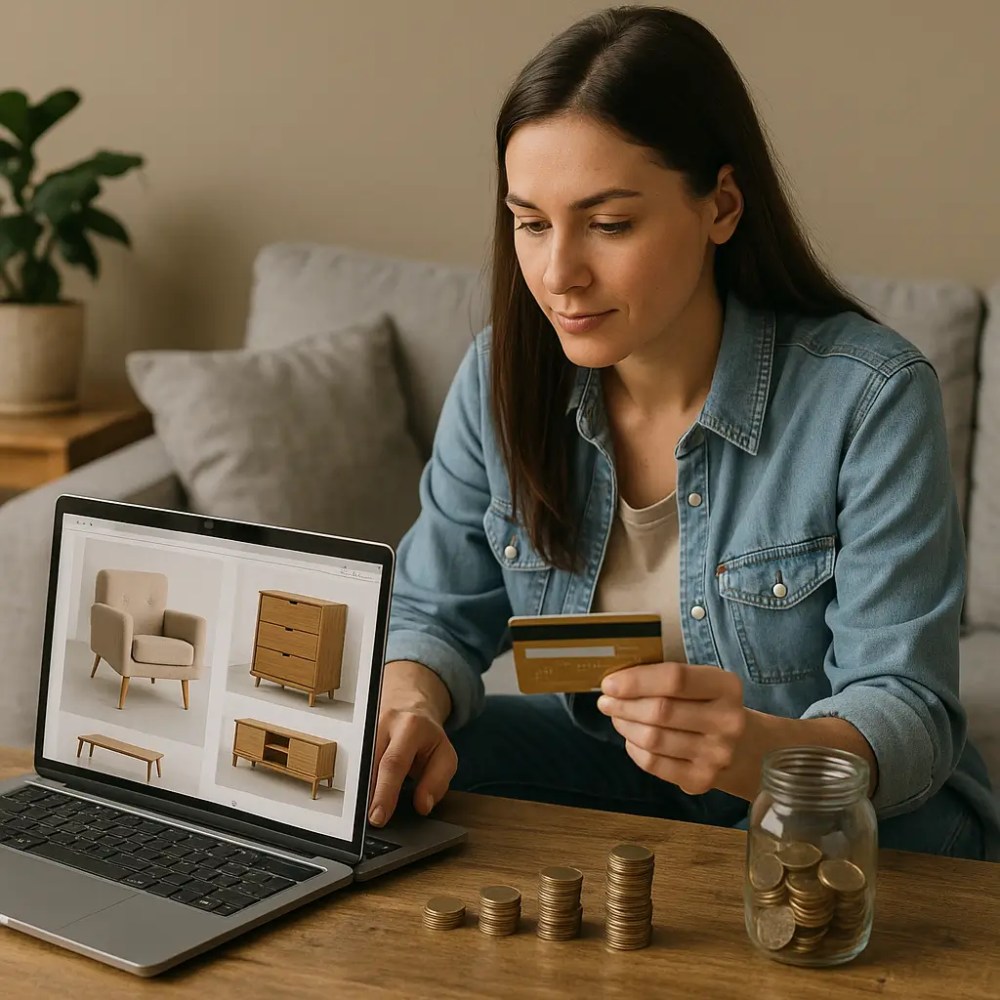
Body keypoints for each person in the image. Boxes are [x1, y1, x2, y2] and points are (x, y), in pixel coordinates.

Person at [368, 4, 1000, 860]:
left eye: (610, 223)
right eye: (531, 222)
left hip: (823, 791)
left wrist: (763, 755)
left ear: (722, 207)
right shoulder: (500, 374)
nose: (560, 274)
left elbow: (906, 705)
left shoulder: (871, 397)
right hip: (611, 769)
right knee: (409, 785)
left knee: (846, 838)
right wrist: (408, 705)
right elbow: (435, 613)